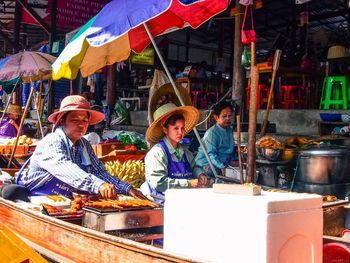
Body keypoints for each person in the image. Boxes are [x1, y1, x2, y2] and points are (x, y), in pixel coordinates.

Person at [15, 95, 145, 200]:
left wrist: (126, 188)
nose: (81, 125)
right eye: (75, 120)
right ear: (62, 121)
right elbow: (64, 167)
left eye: (84, 121)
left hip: (67, 201)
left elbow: (98, 172)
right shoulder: (52, 141)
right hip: (39, 199)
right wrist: (97, 185)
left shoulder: (84, 145)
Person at [140, 103, 209, 203]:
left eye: (182, 128)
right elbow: (159, 184)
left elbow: (194, 167)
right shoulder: (157, 154)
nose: (180, 133)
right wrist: (188, 183)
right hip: (161, 201)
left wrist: (200, 174)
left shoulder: (186, 152)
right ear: (165, 129)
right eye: (176, 128)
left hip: (181, 199)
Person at [195, 101, 236, 178]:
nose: (228, 118)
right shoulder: (212, 133)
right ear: (216, 117)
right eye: (224, 116)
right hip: (206, 165)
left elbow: (229, 150)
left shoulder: (229, 130)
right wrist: (222, 167)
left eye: (229, 116)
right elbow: (211, 155)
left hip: (221, 163)